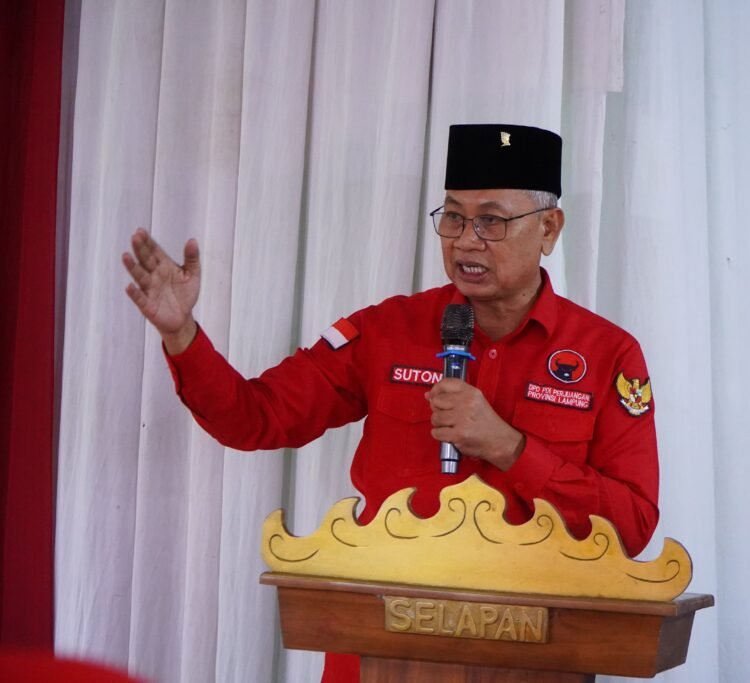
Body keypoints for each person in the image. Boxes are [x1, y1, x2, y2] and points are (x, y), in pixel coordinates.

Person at [123, 124, 659, 682]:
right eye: (453, 218)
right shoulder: (387, 330)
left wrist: (510, 448)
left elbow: (632, 525)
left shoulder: (607, 354)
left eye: (491, 221)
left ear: (548, 228)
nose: (466, 240)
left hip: (533, 647)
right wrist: (182, 335)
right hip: (380, 637)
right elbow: (254, 419)